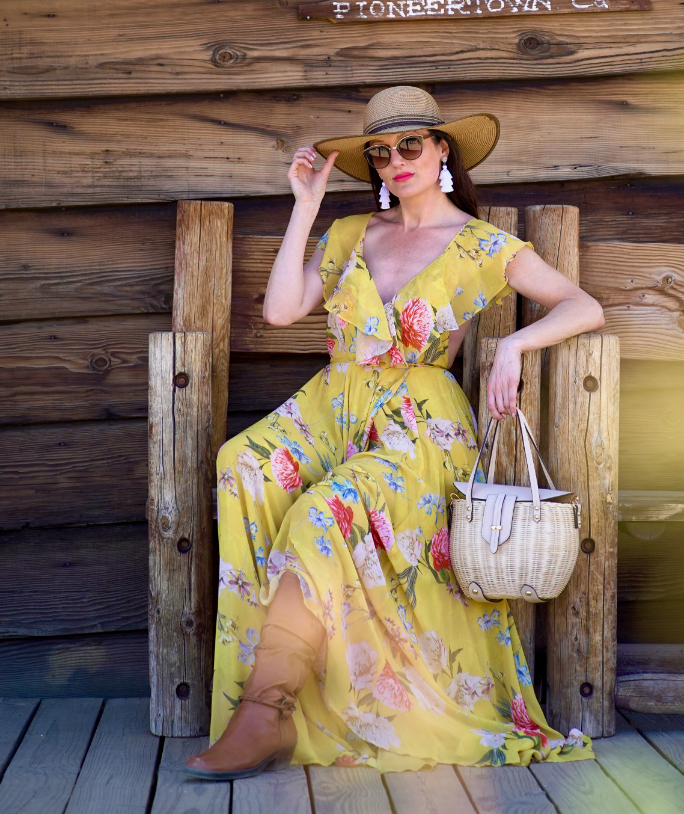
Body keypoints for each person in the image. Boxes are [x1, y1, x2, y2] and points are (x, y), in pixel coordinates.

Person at [185, 85, 605, 779]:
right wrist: (306, 207)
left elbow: (583, 305)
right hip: (332, 405)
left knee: (323, 511)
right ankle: (282, 689)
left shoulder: (480, 245)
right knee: (241, 464)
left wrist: (514, 344)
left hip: (418, 425)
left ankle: (267, 709)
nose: (396, 159)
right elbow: (283, 309)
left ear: (442, 149)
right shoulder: (353, 232)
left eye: (411, 144)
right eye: (380, 151)